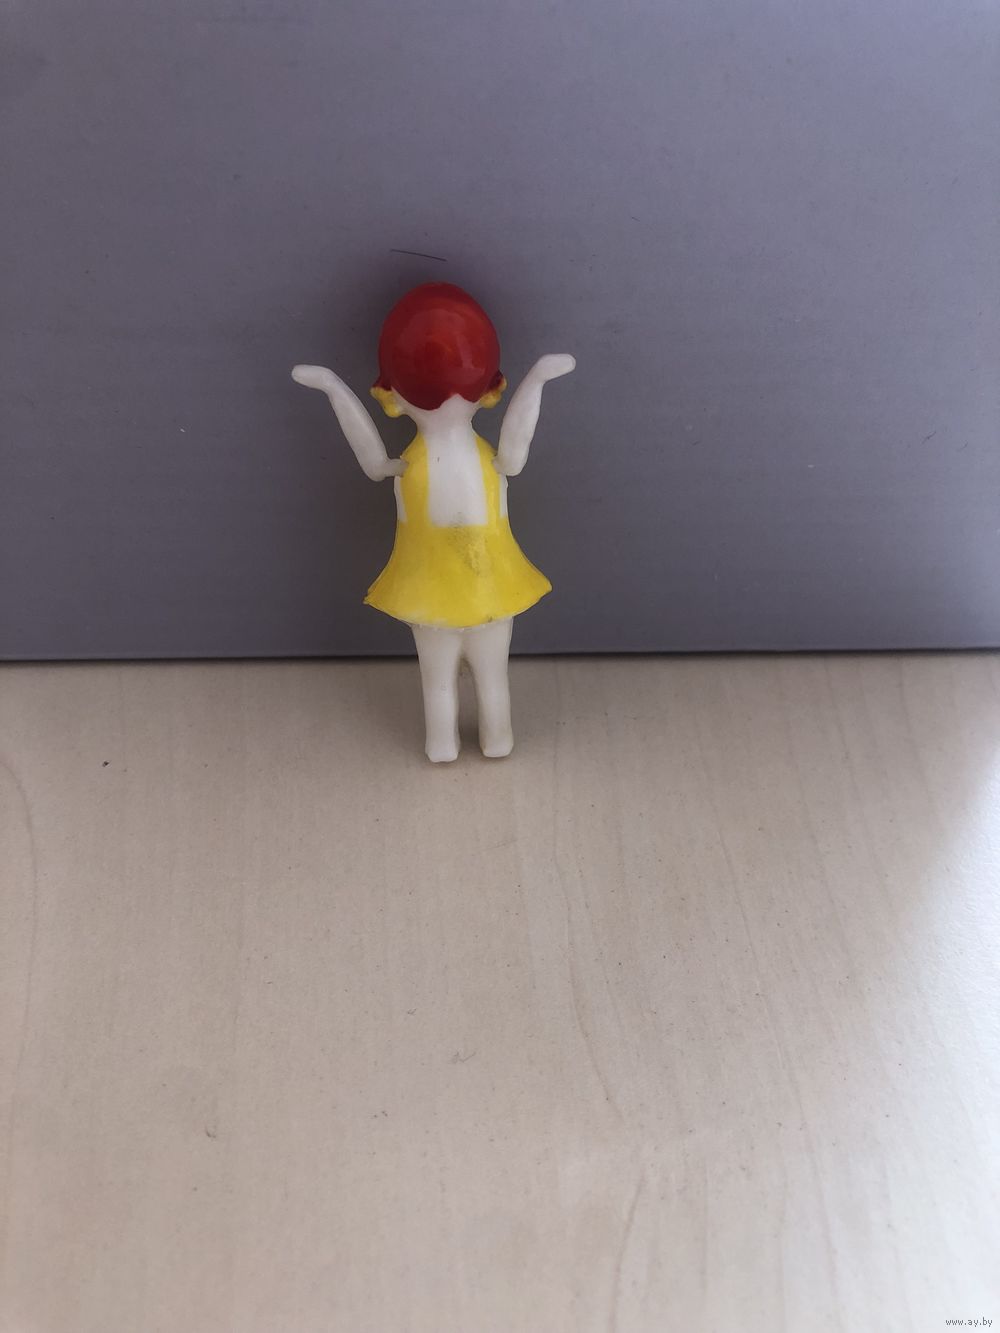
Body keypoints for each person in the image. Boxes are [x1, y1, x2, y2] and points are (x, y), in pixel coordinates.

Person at [293, 282, 574, 762]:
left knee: (455, 678)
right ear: (493, 388)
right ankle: (476, 739)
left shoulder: (418, 464)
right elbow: (512, 454)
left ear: (388, 394)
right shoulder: (453, 462)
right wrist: (332, 388)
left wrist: (539, 381)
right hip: (469, 588)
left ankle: (466, 740)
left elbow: (377, 463)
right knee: (474, 677)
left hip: (469, 588)